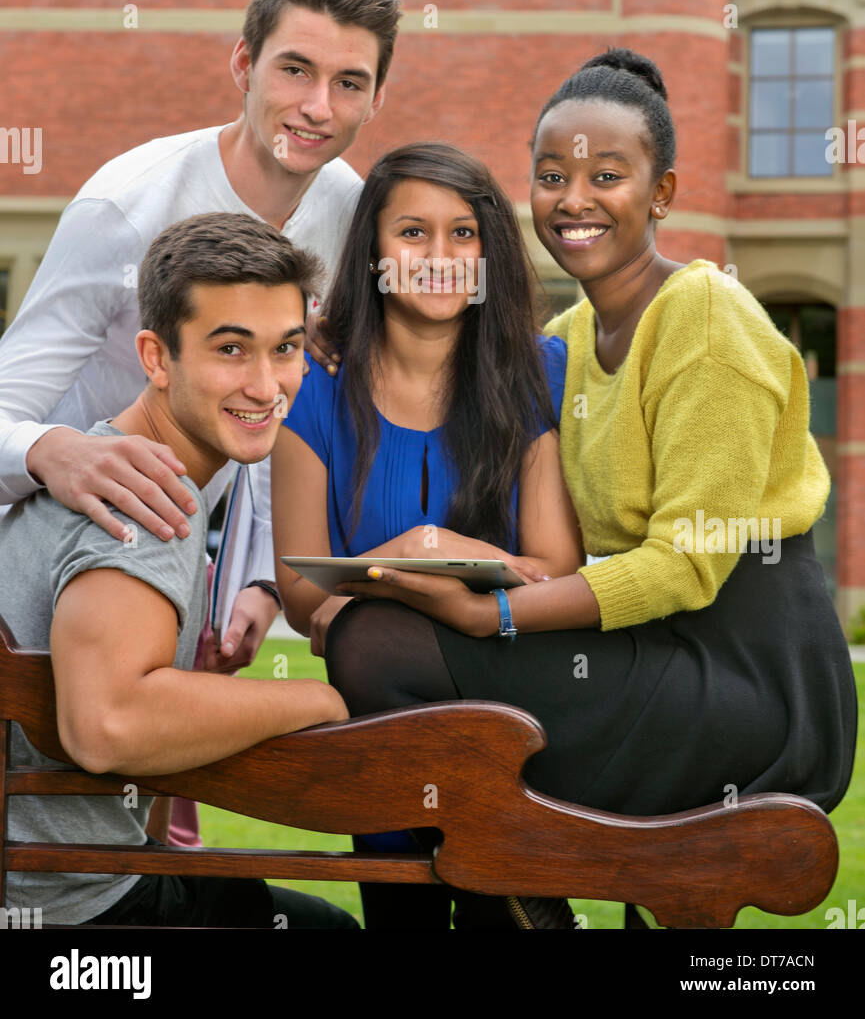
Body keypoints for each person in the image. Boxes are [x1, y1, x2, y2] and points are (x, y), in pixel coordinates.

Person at [328, 49, 858, 925]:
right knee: (372, 631)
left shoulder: (704, 317)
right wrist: (328, 335)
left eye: (605, 175)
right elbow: (435, 358)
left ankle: (516, 892)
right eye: (550, 175)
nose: (572, 199)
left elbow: (685, 568)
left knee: (379, 647)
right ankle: (513, 889)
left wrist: (491, 614)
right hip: (645, 651)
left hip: (748, 680)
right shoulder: (564, 340)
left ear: (662, 193)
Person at [0, 0, 400, 672]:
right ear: (243, 65)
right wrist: (52, 452)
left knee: (151, 764)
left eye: (349, 83)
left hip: (169, 546)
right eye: (295, 70)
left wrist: (261, 578)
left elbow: (281, 403)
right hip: (35, 551)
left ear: (375, 100)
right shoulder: (123, 208)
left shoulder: (347, 211)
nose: (318, 107)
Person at [0, 212, 356, 928]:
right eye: (231, 349)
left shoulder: (113, 466)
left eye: (285, 349)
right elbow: (107, 724)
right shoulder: (145, 503)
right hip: (71, 914)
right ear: (157, 358)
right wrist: (318, 703)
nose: (266, 385)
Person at [271, 142, 583, 927]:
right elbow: (302, 593)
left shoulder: (537, 373)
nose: (438, 256)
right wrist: (393, 564)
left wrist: (414, 558)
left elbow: (553, 570)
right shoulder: (313, 384)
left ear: (487, 252)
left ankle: (522, 893)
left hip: (510, 710)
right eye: (412, 233)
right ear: (372, 249)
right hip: (378, 731)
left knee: (496, 912)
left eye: (462, 233)